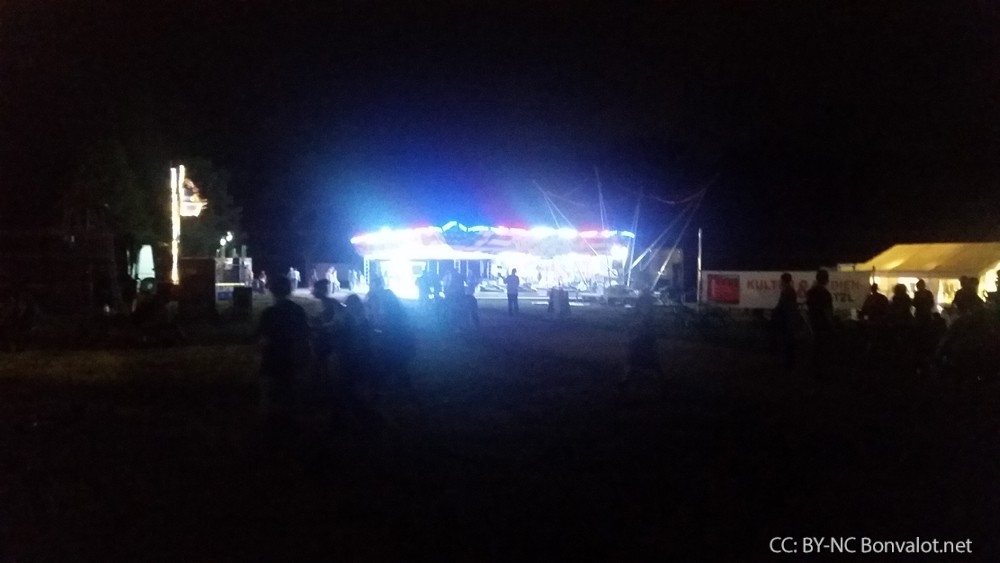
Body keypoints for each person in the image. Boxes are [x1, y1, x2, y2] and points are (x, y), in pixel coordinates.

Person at [255, 276, 310, 433]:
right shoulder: (298, 311)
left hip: (272, 358)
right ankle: (295, 428)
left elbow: (263, 340)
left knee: (267, 393)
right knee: (291, 392)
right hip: (291, 358)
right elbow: (303, 336)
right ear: (289, 290)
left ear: (272, 291)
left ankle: (266, 428)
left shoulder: (269, 313)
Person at [619, 290, 665, 392]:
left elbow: (644, 318)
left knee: (636, 357)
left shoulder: (644, 303)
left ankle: (627, 380)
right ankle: (627, 380)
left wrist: (634, 326)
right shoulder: (645, 301)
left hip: (644, 335)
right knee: (643, 359)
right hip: (644, 335)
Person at [310, 279, 344, 382]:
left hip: (327, 337)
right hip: (321, 337)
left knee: (324, 363)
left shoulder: (330, 303)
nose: (313, 291)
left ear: (321, 290)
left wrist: (322, 326)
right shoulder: (326, 303)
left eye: (316, 289)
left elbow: (338, 319)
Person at [806, 269, 834, 376]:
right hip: (824, 325)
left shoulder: (811, 292)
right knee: (823, 349)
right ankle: (822, 371)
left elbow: (809, 308)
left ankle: (815, 370)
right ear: (826, 280)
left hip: (814, 323)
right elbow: (827, 311)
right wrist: (831, 324)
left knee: (816, 347)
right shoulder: (825, 294)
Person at [771, 272, 799, 371]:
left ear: (783, 281)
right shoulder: (791, 291)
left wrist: (774, 312)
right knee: (789, 342)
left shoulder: (786, 291)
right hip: (790, 319)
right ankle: (790, 363)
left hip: (786, 320)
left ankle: (788, 364)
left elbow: (782, 306)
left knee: (786, 342)